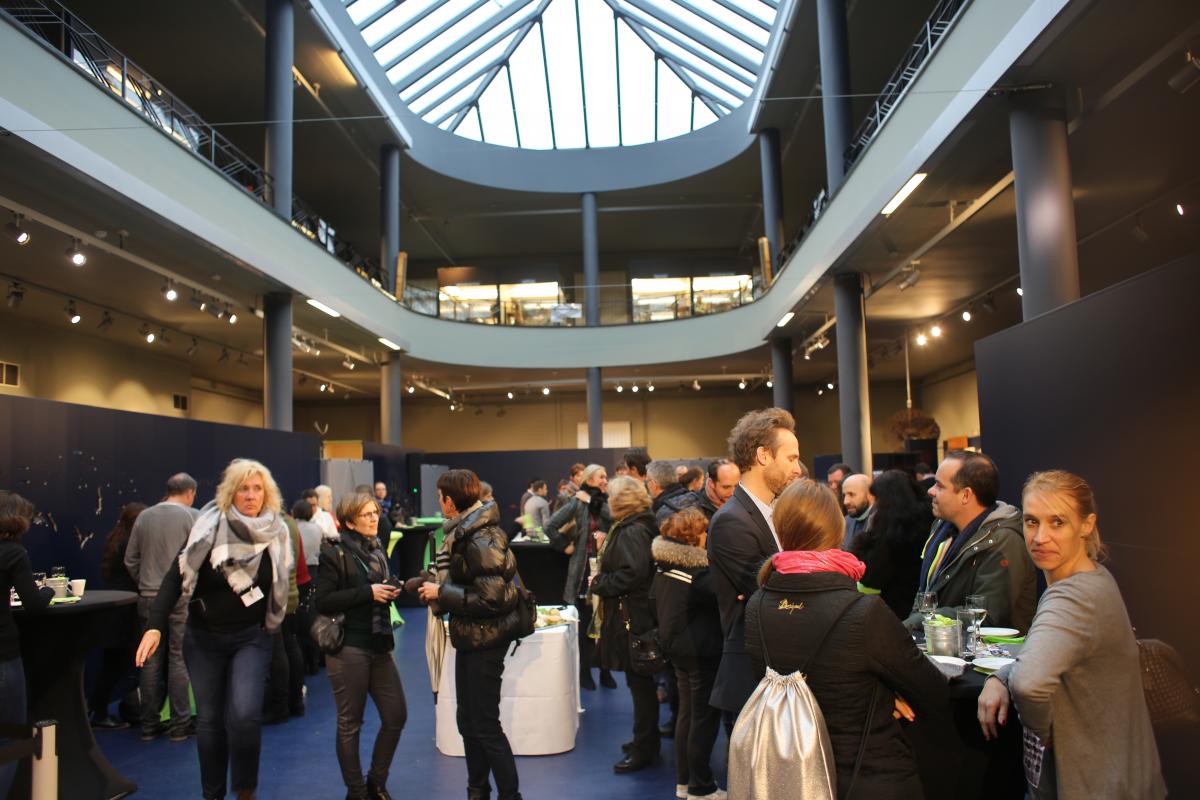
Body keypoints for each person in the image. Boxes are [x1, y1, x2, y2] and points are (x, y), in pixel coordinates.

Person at [745, 479, 949, 799]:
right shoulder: (863, 611)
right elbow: (931, 689)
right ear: (838, 530)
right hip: (868, 774)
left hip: (794, 776)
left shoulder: (757, 605)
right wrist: (881, 696)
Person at [978, 471, 1165, 799]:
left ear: (1086, 524)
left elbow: (1029, 682)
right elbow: (1040, 660)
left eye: (1058, 522)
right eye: (1032, 522)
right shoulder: (1091, 578)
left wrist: (1043, 729)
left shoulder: (1074, 596)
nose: (1040, 537)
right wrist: (1001, 677)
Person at [135, 458, 293, 800]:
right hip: (203, 638)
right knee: (209, 720)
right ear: (229, 493)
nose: (250, 496)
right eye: (242, 488)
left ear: (267, 493)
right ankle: (213, 794)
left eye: (256, 488)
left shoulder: (276, 532)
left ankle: (245, 791)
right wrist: (154, 626)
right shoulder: (207, 527)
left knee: (246, 715)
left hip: (252, 637)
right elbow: (175, 577)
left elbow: (280, 586)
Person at [417, 470, 523, 800]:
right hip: (470, 636)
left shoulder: (480, 538)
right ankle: (477, 790)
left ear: (450, 501)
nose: (439, 502)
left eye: (440, 497)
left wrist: (442, 593)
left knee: (485, 724)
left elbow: (490, 598)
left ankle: (509, 795)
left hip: (486, 640)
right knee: (468, 721)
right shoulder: (465, 533)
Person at [708, 408, 803, 717]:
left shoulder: (778, 511)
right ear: (763, 456)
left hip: (781, 674)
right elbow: (774, 594)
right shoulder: (731, 521)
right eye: (791, 458)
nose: (798, 469)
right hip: (754, 677)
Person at [317, 492, 406, 800]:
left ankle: (376, 782)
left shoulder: (376, 547)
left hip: (379, 644)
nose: (373, 518)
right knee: (350, 723)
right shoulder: (335, 552)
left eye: (375, 512)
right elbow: (324, 601)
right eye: (366, 514)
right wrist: (368, 593)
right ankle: (356, 792)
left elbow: (378, 586)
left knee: (396, 716)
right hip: (349, 646)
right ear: (349, 520)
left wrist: (394, 589)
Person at [904, 451, 1036, 632]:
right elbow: (926, 593)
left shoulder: (1004, 541)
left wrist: (919, 621)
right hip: (944, 648)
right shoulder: (942, 528)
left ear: (966, 495)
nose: (930, 490)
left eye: (940, 486)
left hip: (991, 657)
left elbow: (989, 615)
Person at [589, 475, 661, 774]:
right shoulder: (636, 525)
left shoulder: (632, 530)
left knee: (640, 684)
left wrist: (600, 582)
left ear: (621, 502)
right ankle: (645, 741)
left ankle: (645, 747)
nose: (607, 501)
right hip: (637, 614)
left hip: (636, 617)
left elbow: (631, 574)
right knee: (639, 684)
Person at [653, 508, 724, 800]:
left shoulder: (663, 566)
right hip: (700, 651)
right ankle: (701, 786)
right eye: (704, 531)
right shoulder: (699, 574)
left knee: (686, 714)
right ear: (694, 536)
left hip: (677, 651)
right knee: (703, 719)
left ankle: (685, 782)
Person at [124, 472, 200, 741]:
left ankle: (148, 725)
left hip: (147, 596)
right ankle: (180, 725)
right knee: (178, 657)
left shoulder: (144, 517)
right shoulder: (194, 517)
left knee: (149, 659)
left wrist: (145, 581)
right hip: (182, 598)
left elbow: (130, 559)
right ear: (190, 492)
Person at [0, 491, 54, 798]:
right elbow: (33, 604)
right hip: (3, 656)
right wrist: (46, 592)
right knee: (8, 738)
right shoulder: (12, 553)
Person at [544, 463, 616, 690]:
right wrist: (564, 545)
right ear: (590, 479)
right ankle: (585, 672)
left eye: (606, 476)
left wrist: (591, 501)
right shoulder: (576, 502)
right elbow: (551, 526)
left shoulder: (607, 501)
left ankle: (605, 670)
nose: (606, 480)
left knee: (605, 623)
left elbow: (613, 519)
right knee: (586, 624)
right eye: (601, 476)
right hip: (583, 571)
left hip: (607, 570)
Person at [90, 501, 147, 729]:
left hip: (115, 610)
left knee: (111, 665)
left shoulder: (115, 540)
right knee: (116, 665)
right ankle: (99, 711)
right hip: (126, 611)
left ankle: (96, 708)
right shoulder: (132, 545)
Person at [849, 470, 931, 620]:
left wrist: (867, 535)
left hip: (894, 609)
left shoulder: (888, 530)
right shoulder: (930, 521)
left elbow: (870, 579)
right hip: (921, 606)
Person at [656, 459, 741, 525]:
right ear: (711, 483)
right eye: (726, 487)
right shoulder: (688, 505)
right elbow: (662, 515)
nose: (732, 492)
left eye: (736, 486)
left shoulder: (740, 504)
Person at [292, 499, 324, 674]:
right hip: (314, 573)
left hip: (298, 575)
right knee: (312, 615)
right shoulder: (317, 528)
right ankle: (315, 660)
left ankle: (303, 661)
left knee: (297, 619)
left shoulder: (291, 528)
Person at [840, 473, 874, 550]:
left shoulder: (882, 523)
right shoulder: (845, 522)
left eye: (851, 494)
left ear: (870, 495)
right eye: (844, 495)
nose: (846, 501)